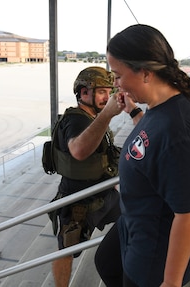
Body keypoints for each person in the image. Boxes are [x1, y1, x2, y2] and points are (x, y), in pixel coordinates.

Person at [94, 24, 190, 287]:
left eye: (118, 75)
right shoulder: (159, 107)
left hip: (155, 249)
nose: (115, 84)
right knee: (105, 261)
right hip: (135, 222)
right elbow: (153, 140)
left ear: (145, 73)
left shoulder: (182, 132)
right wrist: (134, 111)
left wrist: (170, 283)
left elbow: (189, 214)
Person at [51, 66, 123, 287]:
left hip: (103, 195)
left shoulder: (92, 117)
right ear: (84, 93)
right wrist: (108, 114)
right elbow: (78, 150)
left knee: (134, 220)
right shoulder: (76, 119)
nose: (106, 97)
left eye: (108, 92)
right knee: (66, 251)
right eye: (101, 92)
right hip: (78, 203)